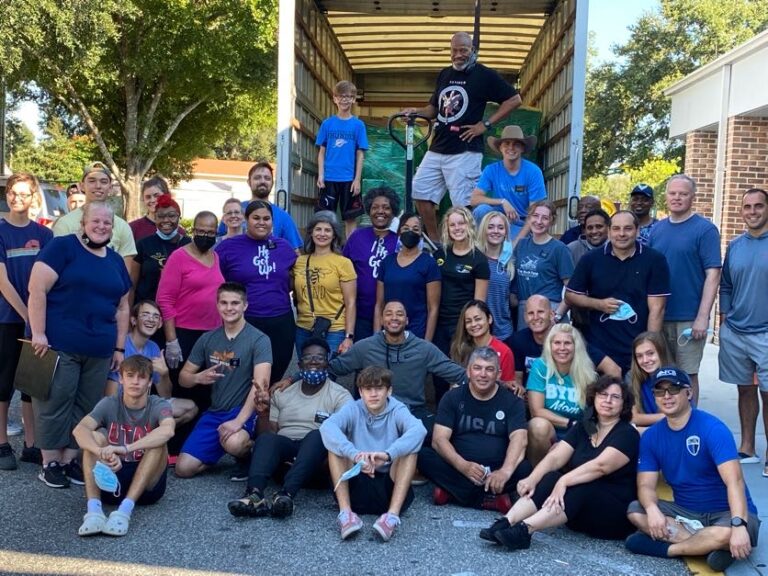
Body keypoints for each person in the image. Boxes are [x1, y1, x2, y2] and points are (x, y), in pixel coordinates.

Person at [28, 201, 131, 488]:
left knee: (87, 405)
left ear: (113, 227)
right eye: (95, 221)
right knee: (54, 401)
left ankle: (69, 459)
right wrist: (39, 332)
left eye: (107, 223)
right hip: (60, 343)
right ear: (83, 222)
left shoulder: (114, 260)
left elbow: (123, 307)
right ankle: (50, 462)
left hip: (100, 347)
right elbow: (37, 290)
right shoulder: (62, 248)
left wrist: (120, 347)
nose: (101, 226)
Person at [625, 367, 760, 573]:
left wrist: (738, 525)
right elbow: (645, 484)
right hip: (687, 513)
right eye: (660, 392)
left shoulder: (712, 428)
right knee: (636, 510)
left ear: (688, 393)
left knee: (726, 533)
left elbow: (735, 482)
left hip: (727, 512)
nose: (667, 396)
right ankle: (708, 548)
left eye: (674, 389)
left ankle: (672, 549)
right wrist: (652, 511)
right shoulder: (652, 437)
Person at [482, 376, 640, 550]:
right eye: (603, 394)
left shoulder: (627, 434)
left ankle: (525, 530)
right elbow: (555, 457)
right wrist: (532, 478)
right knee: (550, 476)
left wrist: (563, 481)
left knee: (583, 482)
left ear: (624, 404)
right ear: (594, 397)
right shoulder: (586, 426)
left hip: (612, 517)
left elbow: (599, 467)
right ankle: (507, 521)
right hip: (579, 513)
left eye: (615, 397)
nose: (608, 400)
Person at [404, 31, 522, 241]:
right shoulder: (445, 74)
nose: (459, 54)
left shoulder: (484, 74)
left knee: (464, 204)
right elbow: (433, 110)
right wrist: (415, 112)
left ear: (472, 51)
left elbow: (514, 99)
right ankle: (436, 243)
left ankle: (465, 248)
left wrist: (484, 124)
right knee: (420, 193)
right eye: (455, 50)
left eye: (464, 50)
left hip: (465, 149)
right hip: (438, 146)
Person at [227, 338, 352, 518]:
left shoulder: (340, 395)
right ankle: (254, 496)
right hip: (284, 462)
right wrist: (263, 413)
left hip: (318, 465)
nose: (314, 361)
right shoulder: (282, 393)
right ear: (300, 363)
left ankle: (286, 496)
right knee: (267, 440)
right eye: (308, 357)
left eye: (320, 357)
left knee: (320, 434)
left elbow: (343, 440)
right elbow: (267, 435)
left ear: (328, 362)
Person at [174, 282, 272, 479]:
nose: (229, 308)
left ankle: (250, 455)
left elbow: (260, 386)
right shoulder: (207, 339)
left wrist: (238, 421)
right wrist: (197, 377)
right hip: (216, 412)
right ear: (217, 305)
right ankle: (221, 447)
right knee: (183, 469)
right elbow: (183, 379)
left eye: (235, 303)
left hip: (244, 410)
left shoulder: (259, 340)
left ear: (245, 305)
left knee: (234, 443)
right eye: (224, 303)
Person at [320, 366, 427, 542]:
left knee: (410, 450)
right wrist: (355, 455)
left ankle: (391, 517)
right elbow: (327, 427)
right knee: (336, 448)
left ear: (389, 391)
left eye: (379, 388)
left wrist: (387, 454)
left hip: (388, 485)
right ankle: (346, 514)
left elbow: (419, 430)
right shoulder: (353, 408)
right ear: (361, 392)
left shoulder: (398, 409)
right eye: (368, 389)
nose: (373, 394)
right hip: (357, 478)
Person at [72, 355, 175, 537]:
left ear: (150, 382)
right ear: (121, 379)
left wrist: (126, 448)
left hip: (147, 486)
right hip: (111, 480)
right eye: (130, 375)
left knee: (159, 442)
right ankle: (94, 511)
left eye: (142, 377)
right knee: (94, 437)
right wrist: (101, 451)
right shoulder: (109, 403)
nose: (135, 382)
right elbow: (79, 430)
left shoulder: (158, 404)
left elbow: (168, 430)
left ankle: (124, 512)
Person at [418, 347, 531, 513]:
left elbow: (519, 439)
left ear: (499, 374)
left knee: (525, 468)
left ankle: (452, 492)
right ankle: (490, 498)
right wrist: (462, 466)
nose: (483, 374)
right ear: (469, 372)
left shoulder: (513, 402)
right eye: (477, 368)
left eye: (489, 369)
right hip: (458, 467)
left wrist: (504, 472)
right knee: (423, 455)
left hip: (497, 469)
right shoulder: (452, 397)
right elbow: (439, 440)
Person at [565, 210, 670, 374]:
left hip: (636, 346)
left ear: (637, 231)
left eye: (628, 229)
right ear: (609, 231)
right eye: (616, 229)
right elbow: (570, 295)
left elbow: (657, 309)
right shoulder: (591, 259)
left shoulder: (655, 260)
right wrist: (598, 304)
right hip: (598, 346)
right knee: (600, 397)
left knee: (635, 397)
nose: (621, 234)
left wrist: (648, 348)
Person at [649, 174, 721, 404]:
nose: (677, 198)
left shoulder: (705, 230)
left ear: (692, 197)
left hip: (689, 319)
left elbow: (713, 274)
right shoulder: (656, 230)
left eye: (683, 194)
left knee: (687, 375)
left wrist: (702, 317)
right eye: (672, 193)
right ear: (666, 196)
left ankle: (691, 422)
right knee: (663, 375)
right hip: (659, 316)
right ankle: (669, 424)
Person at [0, 173, 52, 470]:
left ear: (34, 196)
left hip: (37, 321)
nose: (17, 198)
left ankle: (32, 444)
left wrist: (38, 320)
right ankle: (2, 443)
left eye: (24, 193)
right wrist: (28, 316)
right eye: (12, 193)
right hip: (8, 319)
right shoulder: (0, 230)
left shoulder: (45, 236)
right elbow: (3, 281)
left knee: (32, 383)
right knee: (4, 381)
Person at [216, 200, 298, 384]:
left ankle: (266, 410)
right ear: (246, 220)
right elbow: (213, 281)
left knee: (276, 371)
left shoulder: (284, 247)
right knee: (241, 372)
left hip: (280, 320)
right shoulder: (228, 247)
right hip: (245, 320)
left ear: (272, 222)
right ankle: (242, 411)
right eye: (256, 218)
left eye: (266, 218)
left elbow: (297, 277)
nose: (262, 222)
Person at [156, 210, 224, 416]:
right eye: (201, 231)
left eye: (210, 232)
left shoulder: (215, 256)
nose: (205, 236)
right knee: (183, 389)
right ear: (193, 230)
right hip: (184, 334)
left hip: (211, 335)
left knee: (207, 389)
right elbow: (164, 299)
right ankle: (176, 443)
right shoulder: (179, 257)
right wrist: (171, 341)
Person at [718, 188, 768, 468]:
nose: (752, 212)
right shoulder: (735, 245)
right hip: (736, 331)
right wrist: (725, 317)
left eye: (758, 206)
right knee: (745, 390)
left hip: (765, 332)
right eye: (747, 207)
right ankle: (748, 447)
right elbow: (726, 284)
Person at [104, 300, 197, 428]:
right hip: (121, 407)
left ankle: (151, 432)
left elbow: (165, 396)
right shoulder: (121, 345)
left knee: (190, 408)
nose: (151, 319)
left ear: (159, 324)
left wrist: (164, 374)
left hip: (143, 406)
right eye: (145, 314)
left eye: (155, 316)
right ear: (133, 320)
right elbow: (110, 395)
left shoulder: (154, 348)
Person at [505, 294, 621, 391]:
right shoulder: (518, 341)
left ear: (551, 314)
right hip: (534, 404)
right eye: (531, 313)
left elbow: (614, 369)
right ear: (525, 317)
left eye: (540, 312)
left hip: (569, 406)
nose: (535, 317)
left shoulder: (567, 340)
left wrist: (598, 397)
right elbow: (517, 381)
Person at [433, 206, 489, 403]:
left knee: (460, 374)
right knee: (439, 375)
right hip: (439, 323)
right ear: (447, 229)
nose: (457, 228)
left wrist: (471, 329)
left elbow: (479, 302)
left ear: (469, 225)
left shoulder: (479, 259)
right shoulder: (440, 254)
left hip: (462, 327)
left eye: (461, 223)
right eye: (452, 224)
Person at [526, 324, 595, 466]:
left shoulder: (588, 374)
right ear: (549, 346)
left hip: (577, 433)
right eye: (557, 343)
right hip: (550, 432)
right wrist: (569, 423)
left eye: (567, 343)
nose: (562, 348)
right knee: (538, 426)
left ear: (576, 347)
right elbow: (536, 411)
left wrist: (570, 442)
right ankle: (537, 477)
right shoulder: (540, 366)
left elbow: (591, 418)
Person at [293, 211, 357, 356]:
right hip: (303, 327)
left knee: (327, 372)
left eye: (327, 230)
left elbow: (351, 302)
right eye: (318, 229)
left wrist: (349, 336)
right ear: (311, 233)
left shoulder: (343, 263)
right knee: (306, 372)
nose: (322, 234)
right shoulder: (300, 261)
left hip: (334, 328)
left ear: (334, 234)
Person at [52, 162, 137, 268]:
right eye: (92, 181)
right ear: (82, 186)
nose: (98, 186)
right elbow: (56, 263)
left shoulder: (123, 226)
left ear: (110, 187)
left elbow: (127, 272)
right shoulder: (65, 223)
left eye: (104, 182)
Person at [343, 187, 399, 341]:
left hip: (393, 316)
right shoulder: (357, 237)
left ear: (393, 211)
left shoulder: (400, 240)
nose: (380, 211)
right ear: (368, 211)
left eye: (386, 208)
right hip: (360, 315)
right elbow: (344, 272)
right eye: (375, 207)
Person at [470, 125, 545, 239]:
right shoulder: (491, 169)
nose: (511, 147)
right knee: (481, 210)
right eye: (506, 143)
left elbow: (535, 213)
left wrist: (516, 241)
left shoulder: (534, 172)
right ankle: (479, 249)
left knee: (513, 248)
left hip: (521, 223)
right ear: (500, 147)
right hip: (497, 218)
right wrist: (502, 201)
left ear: (522, 148)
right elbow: (474, 200)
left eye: (516, 144)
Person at [375, 212, 441, 340]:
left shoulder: (429, 263)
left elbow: (433, 308)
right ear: (399, 232)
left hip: (417, 334)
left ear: (421, 234)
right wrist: (376, 337)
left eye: (415, 229)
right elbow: (379, 304)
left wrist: (426, 343)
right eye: (405, 228)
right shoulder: (387, 262)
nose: (410, 232)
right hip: (388, 332)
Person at [316, 80, 368, 237]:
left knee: (350, 219)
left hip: (348, 179)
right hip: (329, 178)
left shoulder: (358, 125)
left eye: (348, 96)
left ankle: (349, 254)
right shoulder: (327, 124)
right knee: (326, 217)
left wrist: (357, 179)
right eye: (341, 96)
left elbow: (360, 153)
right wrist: (321, 174)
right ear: (335, 99)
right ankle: (327, 249)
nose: (345, 99)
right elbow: (321, 152)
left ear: (353, 99)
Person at [216, 161, 302, 252]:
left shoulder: (283, 217)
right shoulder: (235, 211)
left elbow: (295, 252)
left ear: (272, 183)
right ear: (249, 182)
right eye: (257, 178)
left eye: (267, 178)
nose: (262, 181)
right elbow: (218, 244)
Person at [513, 200, 573, 328]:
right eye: (535, 216)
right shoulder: (521, 245)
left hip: (549, 310)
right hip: (526, 309)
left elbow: (572, 289)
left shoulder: (559, 249)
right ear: (529, 218)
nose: (539, 221)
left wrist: (557, 315)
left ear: (552, 221)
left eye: (545, 218)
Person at [130, 194, 191, 305]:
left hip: (180, 309)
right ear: (155, 218)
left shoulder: (189, 245)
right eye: (161, 216)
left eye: (172, 216)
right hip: (147, 311)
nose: (166, 220)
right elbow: (132, 286)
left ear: (179, 217)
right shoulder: (143, 244)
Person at [450, 300, 516, 392]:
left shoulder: (504, 351)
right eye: (468, 321)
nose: (473, 324)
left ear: (489, 319)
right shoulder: (459, 348)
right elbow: (453, 385)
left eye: (478, 319)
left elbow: (509, 387)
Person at [567, 209, 610, 332]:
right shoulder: (571, 249)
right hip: (581, 317)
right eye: (590, 228)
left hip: (610, 315)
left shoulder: (617, 249)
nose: (594, 231)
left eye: (599, 226)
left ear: (608, 227)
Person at [477, 211, 515, 342]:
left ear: (506, 233)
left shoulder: (510, 263)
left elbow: (513, 300)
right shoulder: (476, 259)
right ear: (483, 230)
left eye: (500, 227)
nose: (496, 231)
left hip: (504, 332)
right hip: (478, 330)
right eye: (491, 226)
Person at [629, 331, 671, 431]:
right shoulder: (633, 379)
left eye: (650, 353)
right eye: (639, 356)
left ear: (661, 352)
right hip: (650, 431)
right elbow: (634, 417)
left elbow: (683, 416)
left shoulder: (676, 378)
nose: (645, 360)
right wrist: (667, 416)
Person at [129, 176, 183, 242]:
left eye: (156, 196)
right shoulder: (133, 228)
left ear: (167, 195)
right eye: (148, 197)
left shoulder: (179, 231)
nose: (152, 200)